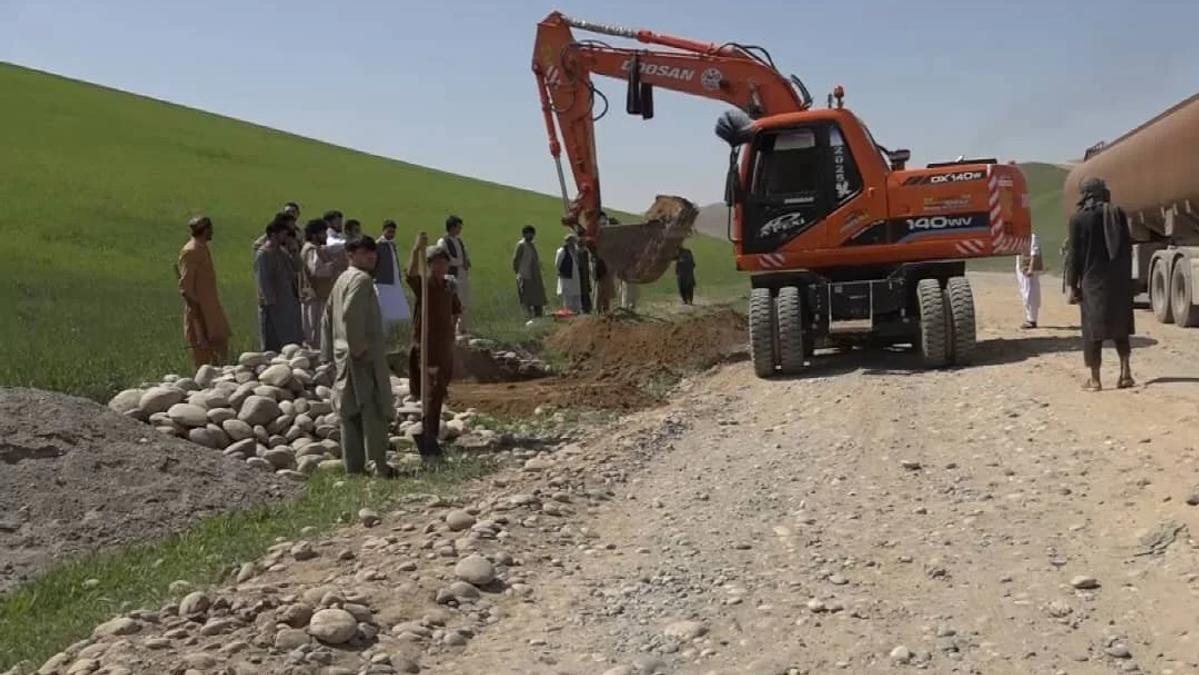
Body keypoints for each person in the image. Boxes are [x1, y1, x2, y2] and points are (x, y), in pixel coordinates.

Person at [321, 235, 396, 478]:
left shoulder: (342, 279)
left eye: (372, 253)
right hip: (363, 357)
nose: (371, 257)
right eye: (364, 253)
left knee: (349, 412)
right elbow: (350, 314)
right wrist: (358, 347)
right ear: (350, 255)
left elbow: (327, 318)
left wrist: (329, 355)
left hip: (344, 357)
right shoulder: (361, 280)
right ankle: (378, 465)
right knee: (373, 408)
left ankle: (353, 466)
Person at [1068, 177, 1135, 391]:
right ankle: (1125, 373)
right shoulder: (1118, 214)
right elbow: (1127, 247)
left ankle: (1095, 380)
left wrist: (1073, 285)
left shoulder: (1078, 219)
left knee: (1092, 331)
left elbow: (1074, 256)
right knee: (1120, 327)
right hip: (1118, 281)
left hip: (1092, 281)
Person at [407, 233, 462, 459]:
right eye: (436, 263)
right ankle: (427, 434)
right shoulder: (424, 284)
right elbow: (410, 274)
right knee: (430, 389)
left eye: (444, 262)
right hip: (426, 344)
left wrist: (454, 325)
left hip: (444, 345)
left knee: (439, 389)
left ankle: (431, 431)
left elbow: (457, 309)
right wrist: (416, 250)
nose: (441, 266)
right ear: (429, 265)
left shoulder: (448, 286)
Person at [177, 215, 231, 367]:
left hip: (212, 309)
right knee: (204, 360)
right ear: (205, 230)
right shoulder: (191, 251)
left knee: (221, 352)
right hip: (201, 313)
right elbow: (186, 288)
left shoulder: (203, 248)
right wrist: (197, 320)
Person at [255, 217, 304, 352]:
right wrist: (271, 303)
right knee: (273, 342)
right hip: (274, 306)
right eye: (283, 234)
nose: (285, 237)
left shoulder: (283, 252)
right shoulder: (263, 254)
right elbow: (263, 281)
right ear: (273, 234)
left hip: (289, 301)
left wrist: (294, 251)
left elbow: (298, 267)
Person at [299, 218, 337, 351]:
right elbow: (317, 271)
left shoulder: (313, 249)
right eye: (323, 233)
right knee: (316, 335)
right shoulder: (311, 250)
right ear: (315, 234)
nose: (326, 236)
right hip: (315, 297)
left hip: (316, 296)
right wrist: (334, 265)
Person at [375, 220, 412, 341]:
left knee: (399, 309)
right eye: (389, 231)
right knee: (385, 311)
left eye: (393, 232)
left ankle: (397, 335)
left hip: (394, 281)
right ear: (384, 230)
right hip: (383, 282)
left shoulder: (392, 244)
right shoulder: (378, 245)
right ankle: (384, 335)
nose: (391, 234)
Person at [437, 215, 472, 334]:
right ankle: (450, 329)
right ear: (452, 227)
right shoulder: (443, 241)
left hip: (462, 275)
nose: (460, 229)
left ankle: (462, 328)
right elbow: (446, 259)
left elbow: (464, 254)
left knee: (464, 302)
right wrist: (461, 262)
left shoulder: (459, 241)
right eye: (458, 227)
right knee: (452, 304)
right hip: (451, 277)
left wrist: (467, 261)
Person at [513, 225, 548, 322]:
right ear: (524, 234)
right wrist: (519, 274)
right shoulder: (521, 245)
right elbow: (516, 261)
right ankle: (529, 320)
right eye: (529, 233)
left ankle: (539, 319)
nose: (531, 235)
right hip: (525, 276)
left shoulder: (532, 245)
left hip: (535, 276)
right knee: (527, 300)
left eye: (532, 233)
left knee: (538, 299)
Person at [1016, 233, 1043, 329]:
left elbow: (1034, 254)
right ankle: (1029, 318)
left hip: (1029, 270)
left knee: (1030, 294)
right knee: (1025, 292)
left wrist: (1031, 268)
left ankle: (1032, 320)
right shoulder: (1019, 237)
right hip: (1023, 268)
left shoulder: (1032, 236)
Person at [555, 234, 583, 312]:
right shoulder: (562, 251)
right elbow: (557, 263)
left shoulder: (575, 251)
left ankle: (577, 312)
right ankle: (569, 313)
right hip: (567, 277)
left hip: (575, 277)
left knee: (576, 296)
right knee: (568, 297)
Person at [577, 243, 594, 313]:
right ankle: (586, 307)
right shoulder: (584, 252)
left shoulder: (581, 252)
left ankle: (586, 307)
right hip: (583, 274)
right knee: (584, 291)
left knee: (584, 291)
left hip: (582, 274)